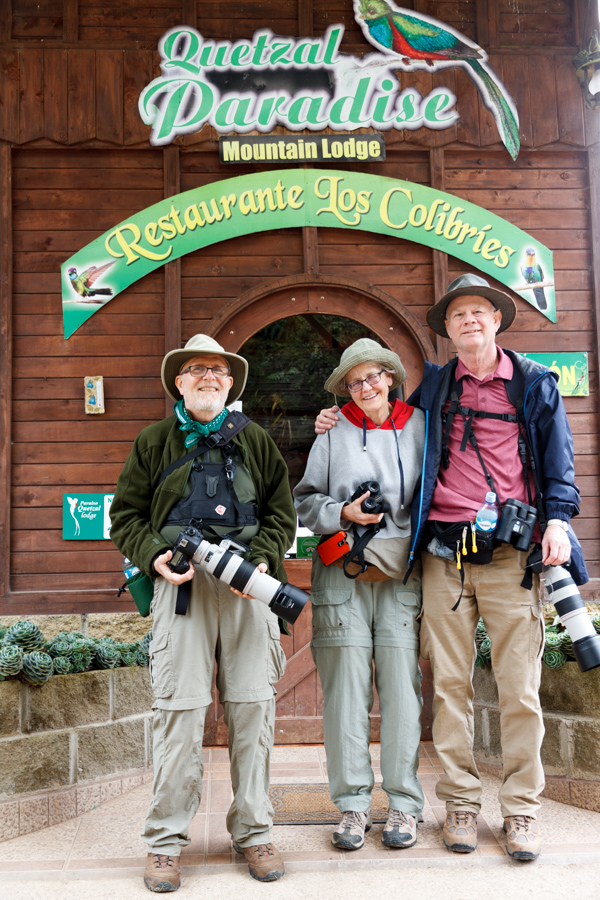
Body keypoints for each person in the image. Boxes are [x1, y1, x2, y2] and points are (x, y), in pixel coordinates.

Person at [315, 274, 587, 861]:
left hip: (512, 556)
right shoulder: (435, 386)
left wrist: (559, 522)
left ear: (496, 319)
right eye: (457, 314)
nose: (468, 321)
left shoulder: (535, 384)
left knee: (520, 688)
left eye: (478, 312)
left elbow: (560, 463)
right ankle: (461, 803)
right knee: (451, 689)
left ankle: (520, 811)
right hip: (444, 556)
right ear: (448, 329)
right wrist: (330, 420)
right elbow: (384, 428)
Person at [110, 334, 297, 891]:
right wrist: (155, 559)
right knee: (180, 714)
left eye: (217, 370)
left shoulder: (256, 440)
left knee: (253, 714)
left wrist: (261, 564)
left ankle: (255, 833)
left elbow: (281, 515)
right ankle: (165, 843)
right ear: (179, 382)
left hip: (248, 590)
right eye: (196, 370)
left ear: (231, 383)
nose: (208, 378)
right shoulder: (154, 441)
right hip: (182, 587)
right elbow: (125, 516)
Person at [294, 338, 425, 852]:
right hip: (341, 573)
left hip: (400, 576)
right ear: (345, 389)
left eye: (373, 376)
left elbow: (435, 494)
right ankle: (351, 808)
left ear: (390, 377)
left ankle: (404, 805)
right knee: (345, 696)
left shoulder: (419, 427)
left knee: (402, 695)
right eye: (354, 381)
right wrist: (343, 513)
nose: (365, 386)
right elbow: (304, 500)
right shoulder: (331, 432)